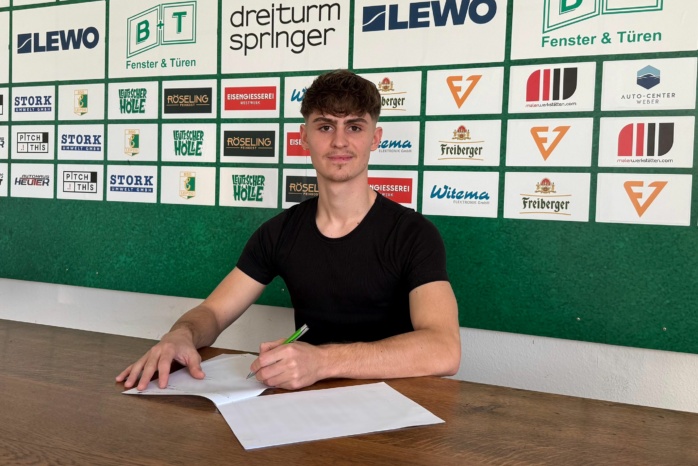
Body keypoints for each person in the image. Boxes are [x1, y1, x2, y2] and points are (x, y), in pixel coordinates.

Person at [116, 70, 461, 391]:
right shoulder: (279, 232)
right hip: (305, 409)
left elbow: (444, 349)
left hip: (398, 410)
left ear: (375, 138)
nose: (340, 141)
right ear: (303, 137)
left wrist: (323, 361)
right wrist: (181, 334)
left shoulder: (413, 234)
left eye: (355, 127)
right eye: (325, 127)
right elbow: (214, 313)